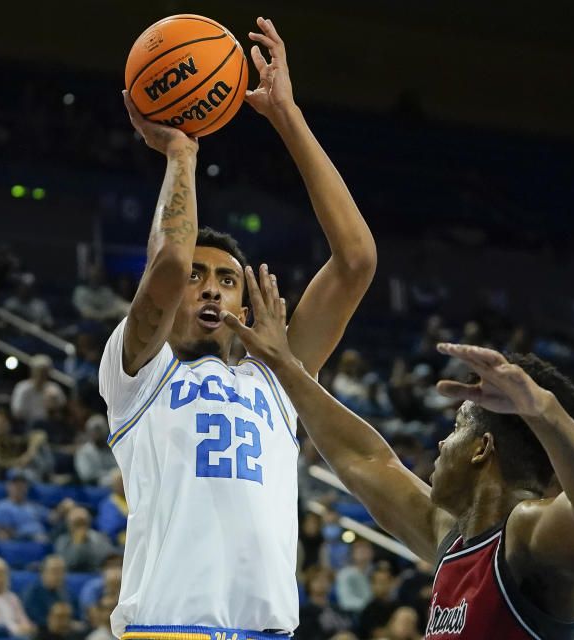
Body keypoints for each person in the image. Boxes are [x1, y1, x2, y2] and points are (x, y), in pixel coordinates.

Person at [100, 16, 376, 638]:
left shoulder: (278, 379)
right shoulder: (139, 374)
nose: (210, 288)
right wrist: (181, 151)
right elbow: (169, 263)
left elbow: (356, 260)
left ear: (246, 306)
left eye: (227, 280)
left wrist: (286, 115)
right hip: (167, 630)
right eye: (199, 278)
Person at [220, 268, 574, 639]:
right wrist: (283, 365)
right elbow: (365, 460)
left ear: (482, 449)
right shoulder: (455, 541)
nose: (442, 444)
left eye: (456, 428)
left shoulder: (528, 536)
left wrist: (546, 412)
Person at [0, 470, 49, 542]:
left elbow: (52, 517)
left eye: (22, 484)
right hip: (20, 545)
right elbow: (6, 533)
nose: (19, 487)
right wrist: (31, 536)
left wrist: (63, 508)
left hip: (42, 542)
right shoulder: (1, 506)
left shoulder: (34, 505)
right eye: (15, 484)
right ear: (8, 486)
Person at [295, 566, 351, 640]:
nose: (322, 582)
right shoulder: (304, 612)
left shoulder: (338, 608)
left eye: (326, 579)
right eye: (317, 579)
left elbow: (351, 628)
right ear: (308, 584)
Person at [55, 507, 115, 573]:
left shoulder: (100, 537)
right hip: (69, 576)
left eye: (83, 522)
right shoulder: (62, 541)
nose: (80, 526)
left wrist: (87, 541)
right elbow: (65, 564)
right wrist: (78, 544)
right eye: (77, 523)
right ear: (69, 525)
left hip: (97, 575)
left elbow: (108, 559)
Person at [21, 555, 75, 628]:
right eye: (55, 571)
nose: (59, 575)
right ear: (43, 573)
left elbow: (77, 617)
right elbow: (35, 620)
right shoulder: (32, 594)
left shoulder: (67, 593)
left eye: (62, 571)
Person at [10, 355, 66, 424]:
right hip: (27, 423)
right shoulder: (22, 388)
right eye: (38, 371)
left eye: (44, 372)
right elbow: (16, 413)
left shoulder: (54, 388)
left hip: (50, 423)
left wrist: (54, 406)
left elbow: (62, 409)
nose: (40, 375)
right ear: (32, 371)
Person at [74, 415, 117, 486]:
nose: (98, 433)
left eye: (100, 430)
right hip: (93, 487)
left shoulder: (112, 448)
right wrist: (109, 474)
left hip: (113, 480)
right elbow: (86, 475)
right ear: (89, 432)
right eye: (95, 430)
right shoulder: (83, 451)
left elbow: (118, 468)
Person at [336, 538, 375, 614]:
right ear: (352, 554)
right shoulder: (345, 574)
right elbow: (345, 601)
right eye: (359, 549)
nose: (362, 551)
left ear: (372, 553)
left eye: (366, 548)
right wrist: (370, 607)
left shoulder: (377, 572)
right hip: (355, 614)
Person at [94, 473, 127, 547]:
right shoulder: (108, 504)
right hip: (120, 544)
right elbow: (110, 527)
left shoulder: (135, 500)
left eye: (124, 482)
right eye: (120, 483)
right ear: (114, 486)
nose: (122, 486)